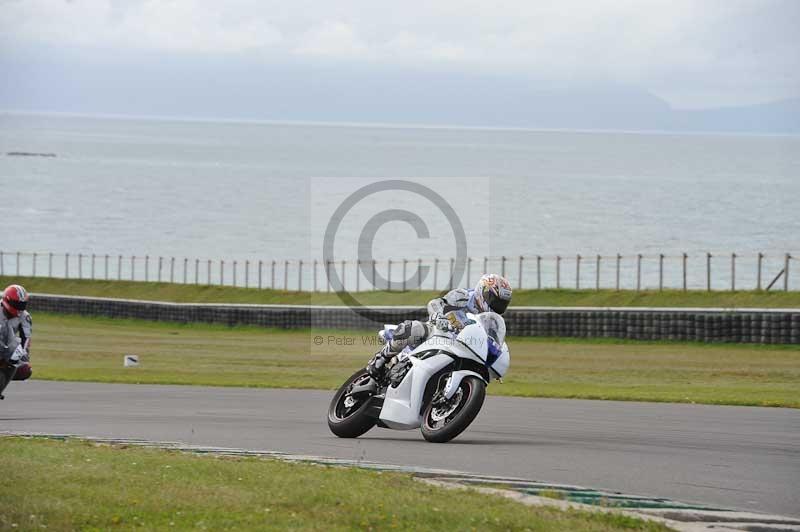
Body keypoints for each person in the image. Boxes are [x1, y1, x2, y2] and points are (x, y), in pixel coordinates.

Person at [367, 273, 512, 379]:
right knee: (415, 328)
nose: (496, 306)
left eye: (501, 304)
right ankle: (380, 358)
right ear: (484, 291)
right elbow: (435, 303)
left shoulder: (491, 321)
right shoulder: (464, 296)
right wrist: (439, 316)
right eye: (495, 300)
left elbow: (491, 339)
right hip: (440, 332)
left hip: (463, 346)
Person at [1, 284, 33, 381]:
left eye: (22, 305)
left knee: (26, 370)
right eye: (17, 304)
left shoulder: (25, 317)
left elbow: (26, 340)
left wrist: (22, 356)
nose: (20, 308)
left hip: (8, 347)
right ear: (7, 300)